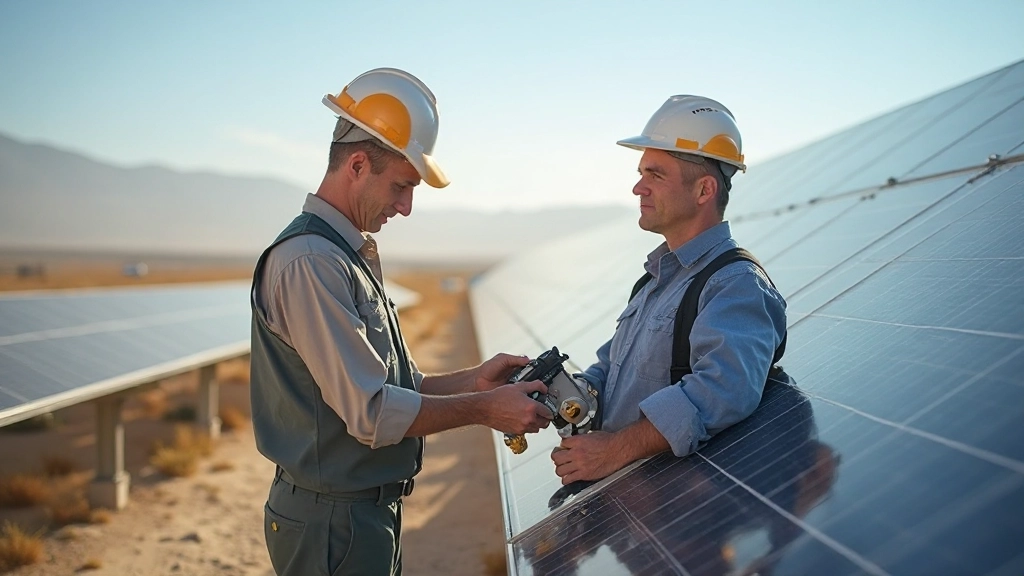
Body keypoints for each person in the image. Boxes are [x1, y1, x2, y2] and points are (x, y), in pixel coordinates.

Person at [249, 68, 552, 576]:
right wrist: (484, 408)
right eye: (401, 186)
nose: (406, 207)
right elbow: (372, 413)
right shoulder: (312, 262)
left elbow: (394, 388)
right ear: (358, 164)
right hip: (333, 525)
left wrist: (473, 381)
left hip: (357, 517)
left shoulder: (343, 256)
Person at [551, 95, 788, 485]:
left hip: (677, 518)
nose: (637, 188)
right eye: (641, 172)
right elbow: (613, 367)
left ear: (704, 190)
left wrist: (614, 450)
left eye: (655, 175)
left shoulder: (734, 284)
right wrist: (569, 391)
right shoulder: (654, 281)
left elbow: (724, 388)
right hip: (633, 504)